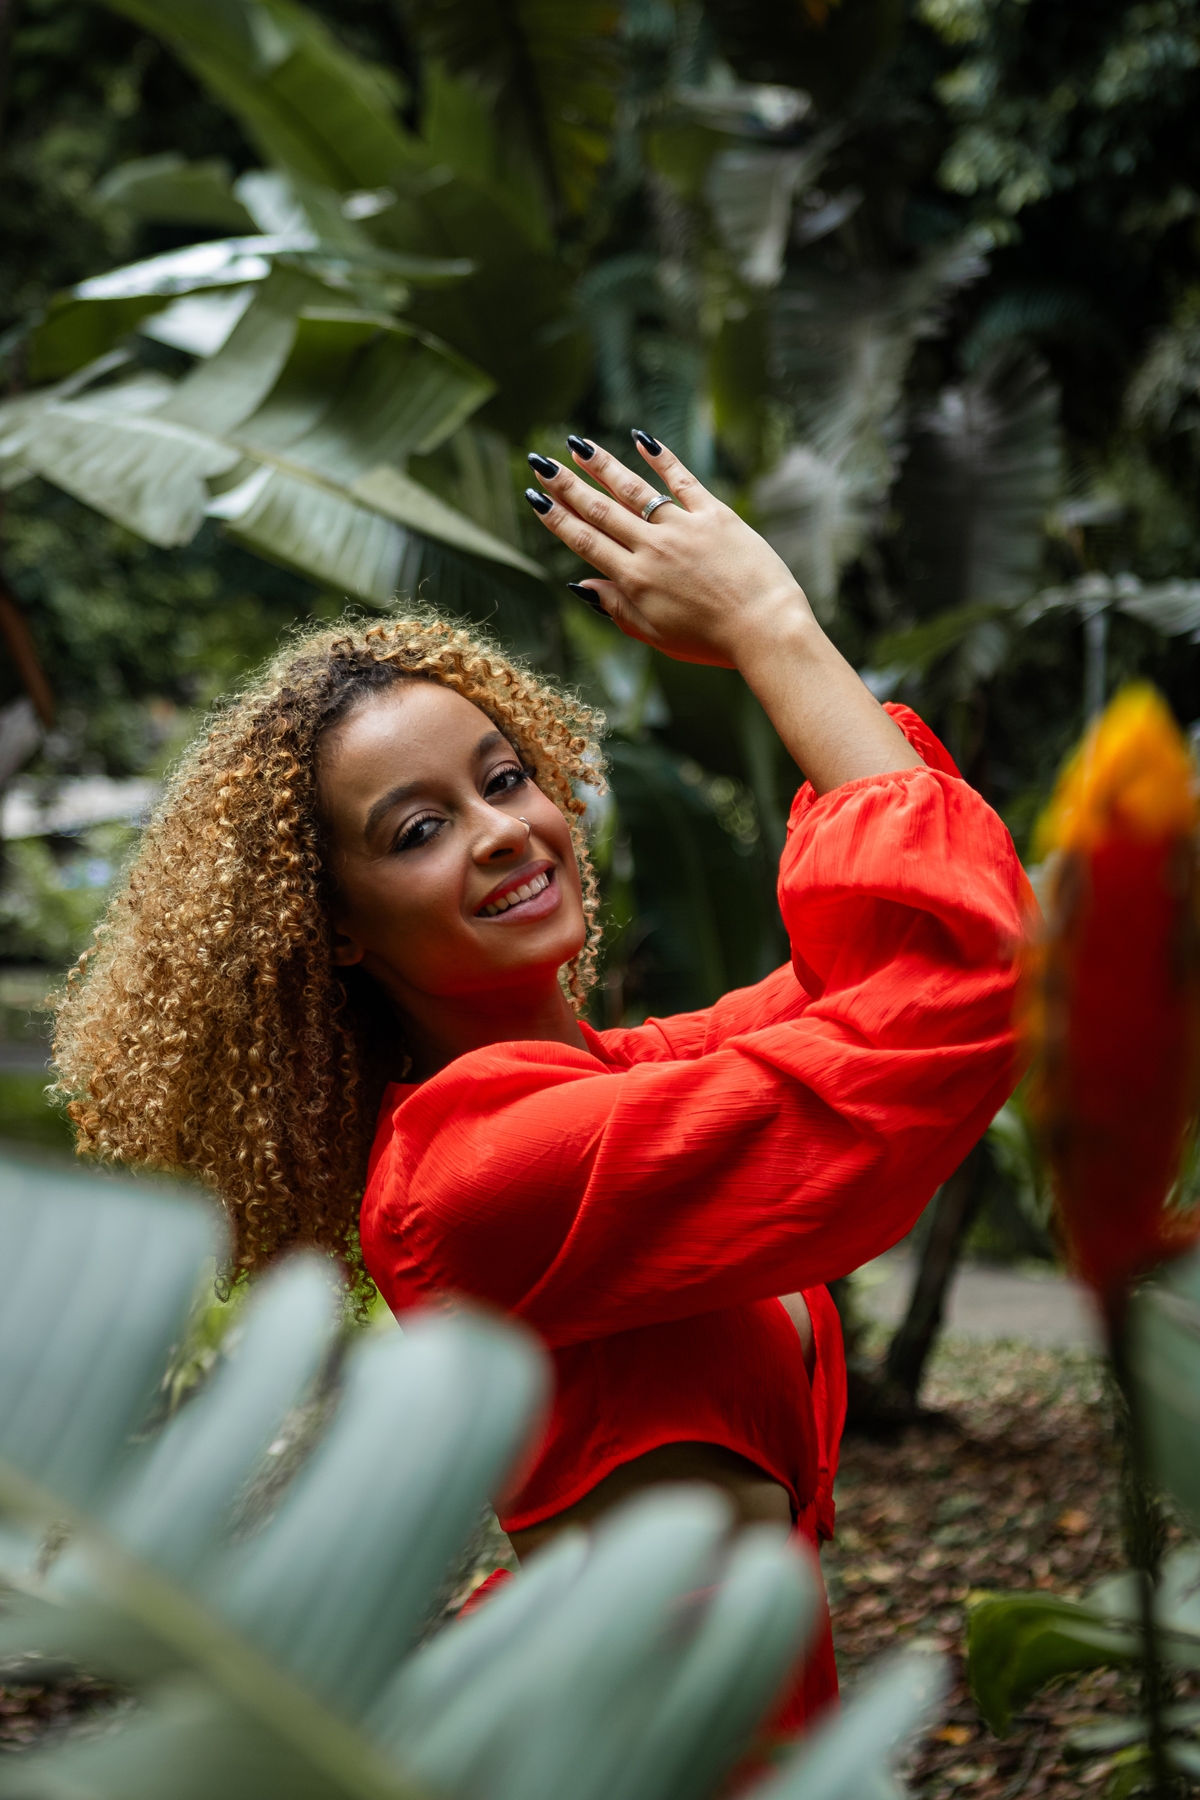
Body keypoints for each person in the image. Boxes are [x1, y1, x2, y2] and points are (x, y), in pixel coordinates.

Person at [53, 431, 1030, 1740]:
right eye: (418, 829)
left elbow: (917, 953)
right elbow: (952, 989)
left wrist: (771, 635)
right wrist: (769, 628)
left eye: (503, 777)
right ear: (335, 927)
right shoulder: (472, 1172)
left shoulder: (623, 1079)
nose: (503, 828)